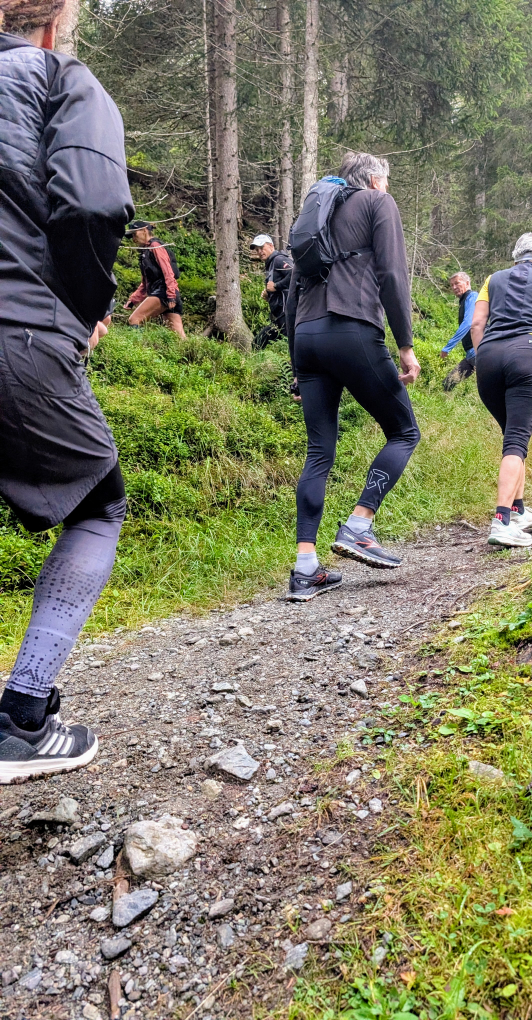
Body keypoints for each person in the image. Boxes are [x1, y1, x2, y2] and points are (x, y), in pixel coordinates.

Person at [0, 0, 134, 781]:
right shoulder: (58, 76)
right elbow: (91, 201)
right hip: (20, 324)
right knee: (98, 502)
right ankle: (22, 716)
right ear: (54, 25)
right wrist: (87, 302)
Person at [285, 152, 421, 601]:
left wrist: (296, 365)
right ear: (376, 179)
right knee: (403, 431)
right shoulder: (378, 203)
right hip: (353, 328)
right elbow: (392, 273)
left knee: (319, 451)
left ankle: (305, 568)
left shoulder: (317, 212)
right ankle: (360, 525)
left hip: (306, 336)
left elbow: (292, 290)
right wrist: (405, 343)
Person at [471, 233, 532, 549]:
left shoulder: (492, 279)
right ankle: (501, 522)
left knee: (513, 437)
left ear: (515, 258)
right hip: (528, 354)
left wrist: (482, 354)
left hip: (488, 357)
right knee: (516, 441)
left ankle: (519, 509)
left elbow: (476, 325)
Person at [124, 220, 185, 338]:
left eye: (134, 234)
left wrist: (170, 295)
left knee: (134, 319)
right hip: (168, 293)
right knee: (178, 336)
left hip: (164, 292)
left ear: (144, 230)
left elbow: (168, 272)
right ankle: (192, 354)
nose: (133, 239)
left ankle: (137, 349)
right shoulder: (146, 251)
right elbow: (145, 283)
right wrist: (133, 300)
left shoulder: (155, 246)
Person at [249, 233, 294, 349]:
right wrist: (269, 295)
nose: (259, 252)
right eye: (257, 250)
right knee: (257, 343)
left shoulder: (279, 259)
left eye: (262, 248)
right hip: (279, 318)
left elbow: (295, 274)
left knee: (288, 348)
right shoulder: (270, 265)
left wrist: (276, 286)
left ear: (271, 246)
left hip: (287, 315)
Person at [440, 272, 478, 391]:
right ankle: (445, 405)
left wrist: (448, 347)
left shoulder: (472, 296)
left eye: (457, 283)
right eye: (452, 285)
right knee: (448, 383)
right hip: (470, 355)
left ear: (467, 283)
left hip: (480, 351)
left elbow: (468, 323)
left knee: (489, 387)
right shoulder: (463, 300)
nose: (454, 287)